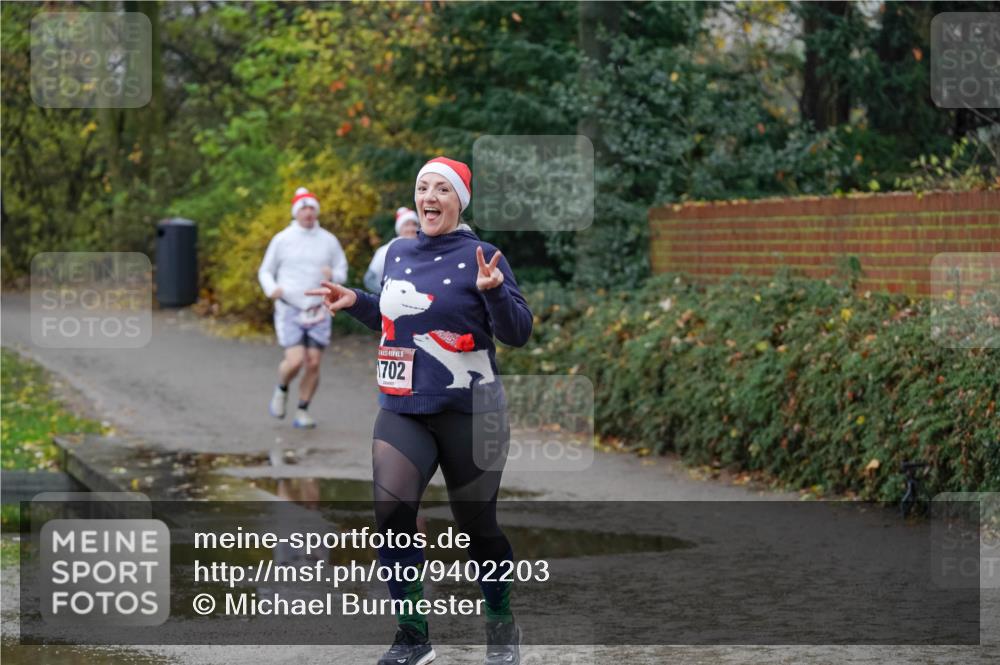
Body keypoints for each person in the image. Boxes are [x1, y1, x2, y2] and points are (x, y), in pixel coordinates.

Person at [307, 157, 532, 665]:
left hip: (471, 411)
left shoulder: (483, 256)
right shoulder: (398, 251)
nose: (429, 197)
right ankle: (413, 638)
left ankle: (501, 626)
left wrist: (495, 292)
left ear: (460, 202)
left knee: (477, 528)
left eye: (442, 189)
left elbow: (518, 332)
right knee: (391, 514)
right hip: (403, 406)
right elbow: (401, 316)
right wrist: (356, 300)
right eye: (423, 187)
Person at [258, 187, 348, 429]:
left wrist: (334, 275)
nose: (308, 213)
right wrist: (272, 288)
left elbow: (342, 269)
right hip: (290, 307)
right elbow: (265, 270)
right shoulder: (282, 239)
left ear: (316, 212)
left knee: (314, 362)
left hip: (319, 308)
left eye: (311, 209)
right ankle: (282, 388)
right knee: (296, 361)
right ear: (296, 212)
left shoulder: (328, 240)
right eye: (303, 209)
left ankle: (303, 410)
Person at [364, 207, 420, 292]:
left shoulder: (424, 249)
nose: (411, 229)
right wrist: (386, 294)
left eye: (414, 224)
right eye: (407, 225)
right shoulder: (386, 250)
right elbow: (369, 279)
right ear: (399, 228)